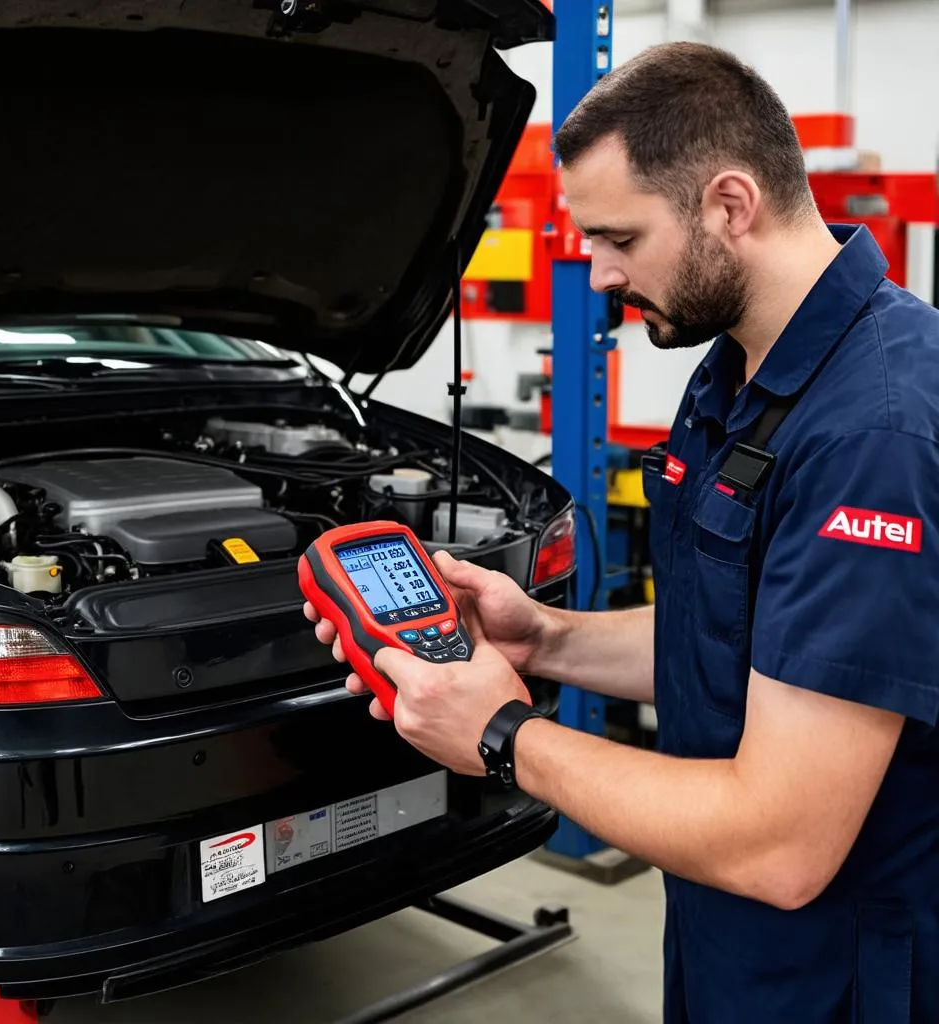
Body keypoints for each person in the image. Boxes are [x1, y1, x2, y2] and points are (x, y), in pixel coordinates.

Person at [304, 41, 939, 1024]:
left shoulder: (870, 433)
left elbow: (781, 845)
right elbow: (733, 632)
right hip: (723, 932)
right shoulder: (738, 372)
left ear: (729, 205)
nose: (595, 271)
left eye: (617, 237)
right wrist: (543, 636)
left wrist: (502, 735)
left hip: (837, 969)